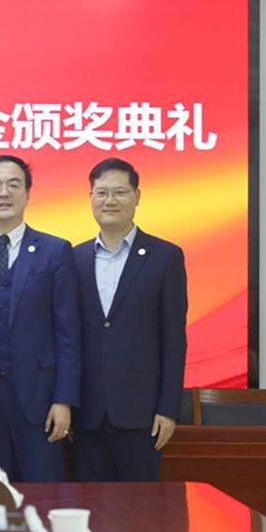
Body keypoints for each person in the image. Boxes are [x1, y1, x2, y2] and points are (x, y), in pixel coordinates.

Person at [0, 155, 80, 482]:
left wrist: (63, 400)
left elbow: (68, 333)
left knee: (43, 495)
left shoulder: (55, 251)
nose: (4, 192)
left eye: (13, 184)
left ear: (27, 194)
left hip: (39, 401)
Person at [73, 158, 187, 481]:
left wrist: (168, 408)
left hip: (142, 414)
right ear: (91, 198)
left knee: (140, 507)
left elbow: (174, 340)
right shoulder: (74, 258)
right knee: (91, 506)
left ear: (137, 196)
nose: (110, 200)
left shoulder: (165, 257)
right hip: (87, 414)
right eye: (102, 193)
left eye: (120, 192)